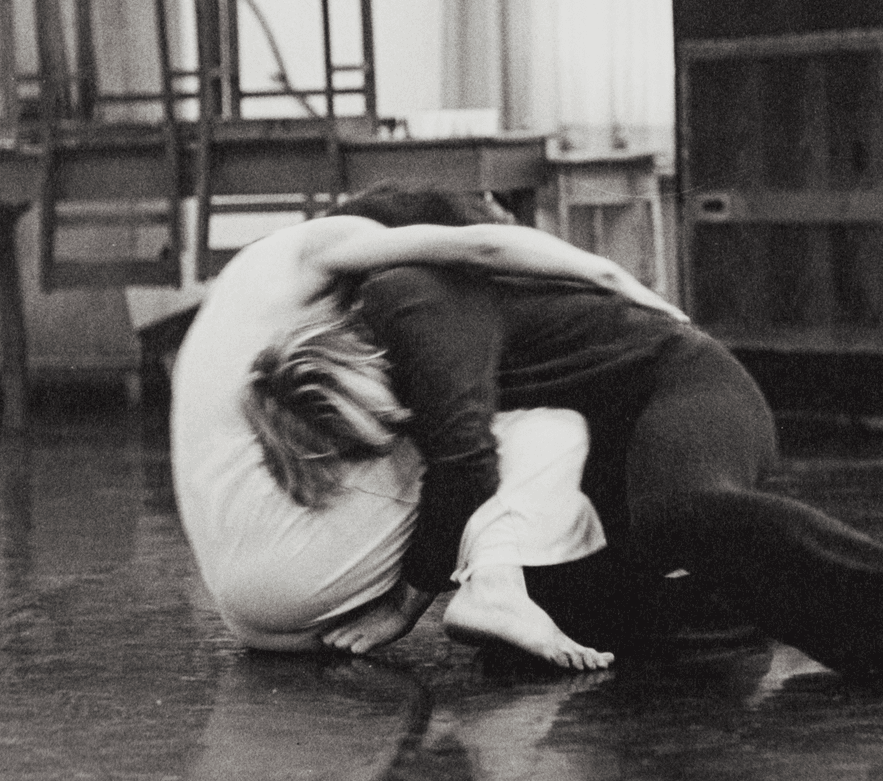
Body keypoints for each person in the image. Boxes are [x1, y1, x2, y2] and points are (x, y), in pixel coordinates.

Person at [298, 192, 883, 677]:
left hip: (686, 388)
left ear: (339, 362)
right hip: (620, 443)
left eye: (362, 420)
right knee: (529, 642)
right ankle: (741, 603)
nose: (388, 429)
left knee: (676, 509)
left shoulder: (406, 302)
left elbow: (463, 466)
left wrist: (403, 604)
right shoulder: (393, 329)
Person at [171, 212, 684, 669]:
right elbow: (481, 245)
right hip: (299, 578)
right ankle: (495, 588)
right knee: (533, 430)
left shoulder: (245, 288)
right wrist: (609, 273)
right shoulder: (329, 244)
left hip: (243, 605)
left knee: (382, 417)